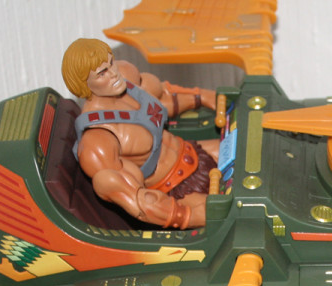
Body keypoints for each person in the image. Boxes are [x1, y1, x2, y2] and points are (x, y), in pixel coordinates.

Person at [62, 38, 218, 229]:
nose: (114, 73)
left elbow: (164, 99)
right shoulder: (98, 142)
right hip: (178, 191)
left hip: (194, 152)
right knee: (240, 208)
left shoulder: (127, 77)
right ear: (84, 85)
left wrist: (205, 97)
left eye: (111, 63)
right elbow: (140, 202)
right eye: (102, 73)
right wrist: (189, 216)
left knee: (249, 149)